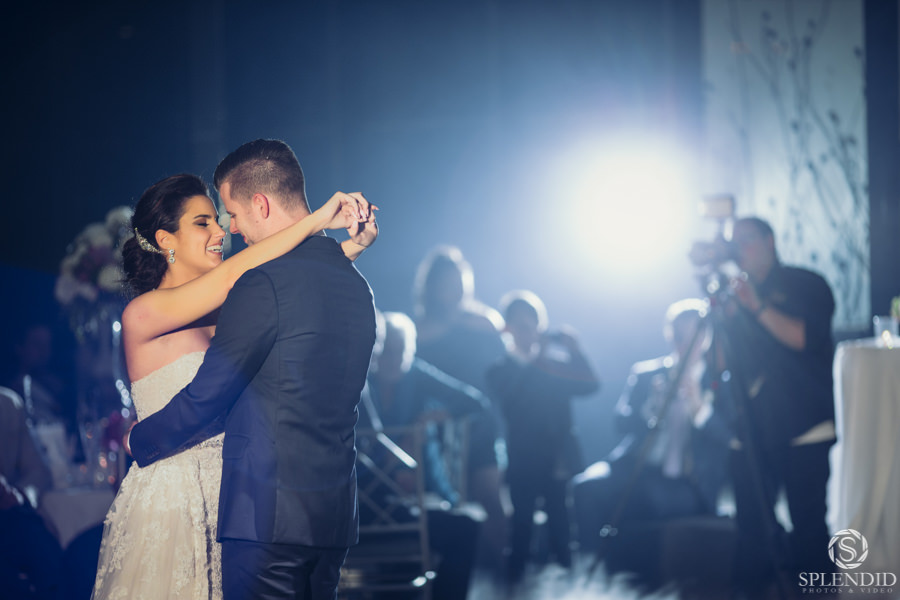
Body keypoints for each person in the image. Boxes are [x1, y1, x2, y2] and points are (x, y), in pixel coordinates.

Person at [93, 158, 376, 599]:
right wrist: (317, 220)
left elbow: (288, 289)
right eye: (203, 222)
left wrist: (347, 251)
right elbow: (232, 277)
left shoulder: (235, 307)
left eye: (219, 219)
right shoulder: (143, 312)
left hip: (236, 497)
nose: (221, 232)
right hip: (176, 497)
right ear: (165, 240)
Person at [721, 217, 836, 595]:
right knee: (751, 528)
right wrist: (722, 315)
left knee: (809, 526)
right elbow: (719, 365)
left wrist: (756, 306)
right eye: (734, 243)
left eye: (748, 240)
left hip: (803, 422)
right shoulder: (731, 297)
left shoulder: (805, 283)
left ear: (769, 241)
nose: (741, 249)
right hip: (751, 426)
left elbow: (803, 338)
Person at [571, 299, 733, 559]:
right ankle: (589, 567)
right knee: (585, 487)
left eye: (693, 336)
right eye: (679, 336)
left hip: (690, 482)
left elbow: (729, 437)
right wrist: (649, 410)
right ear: (669, 335)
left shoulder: (719, 381)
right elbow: (620, 422)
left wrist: (699, 408)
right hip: (637, 466)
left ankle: (626, 569)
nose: (685, 344)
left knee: (644, 498)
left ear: (707, 337)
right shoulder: (647, 374)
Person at [359, 311, 485, 600]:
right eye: (386, 351)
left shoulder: (415, 375)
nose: (393, 359)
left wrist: (429, 419)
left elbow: (475, 402)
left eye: (400, 351)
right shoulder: (359, 382)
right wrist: (395, 458)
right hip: (367, 501)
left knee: (464, 526)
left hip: (408, 493)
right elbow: (364, 451)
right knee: (460, 529)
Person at [486, 290, 600, 583]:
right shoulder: (500, 370)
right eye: (521, 325)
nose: (528, 332)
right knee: (521, 524)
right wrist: (539, 358)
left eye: (532, 325)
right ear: (508, 328)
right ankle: (515, 588)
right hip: (523, 459)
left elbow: (591, 385)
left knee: (561, 523)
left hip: (557, 457)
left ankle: (567, 585)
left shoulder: (553, 366)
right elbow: (513, 398)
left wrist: (576, 352)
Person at [412, 245, 509, 571]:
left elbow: (503, 375)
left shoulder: (483, 322)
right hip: (439, 432)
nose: (452, 290)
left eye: (457, 282)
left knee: (491, 498)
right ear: (431, 287)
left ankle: (504, 578)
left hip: (482, 424)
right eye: (445, 283)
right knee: (447, 504)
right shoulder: (420, 331)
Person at [0, 385, 62, 600]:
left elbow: (38, 470)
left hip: (7, 517)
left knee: (44, 547)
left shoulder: (8, 404)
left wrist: (19, 494)